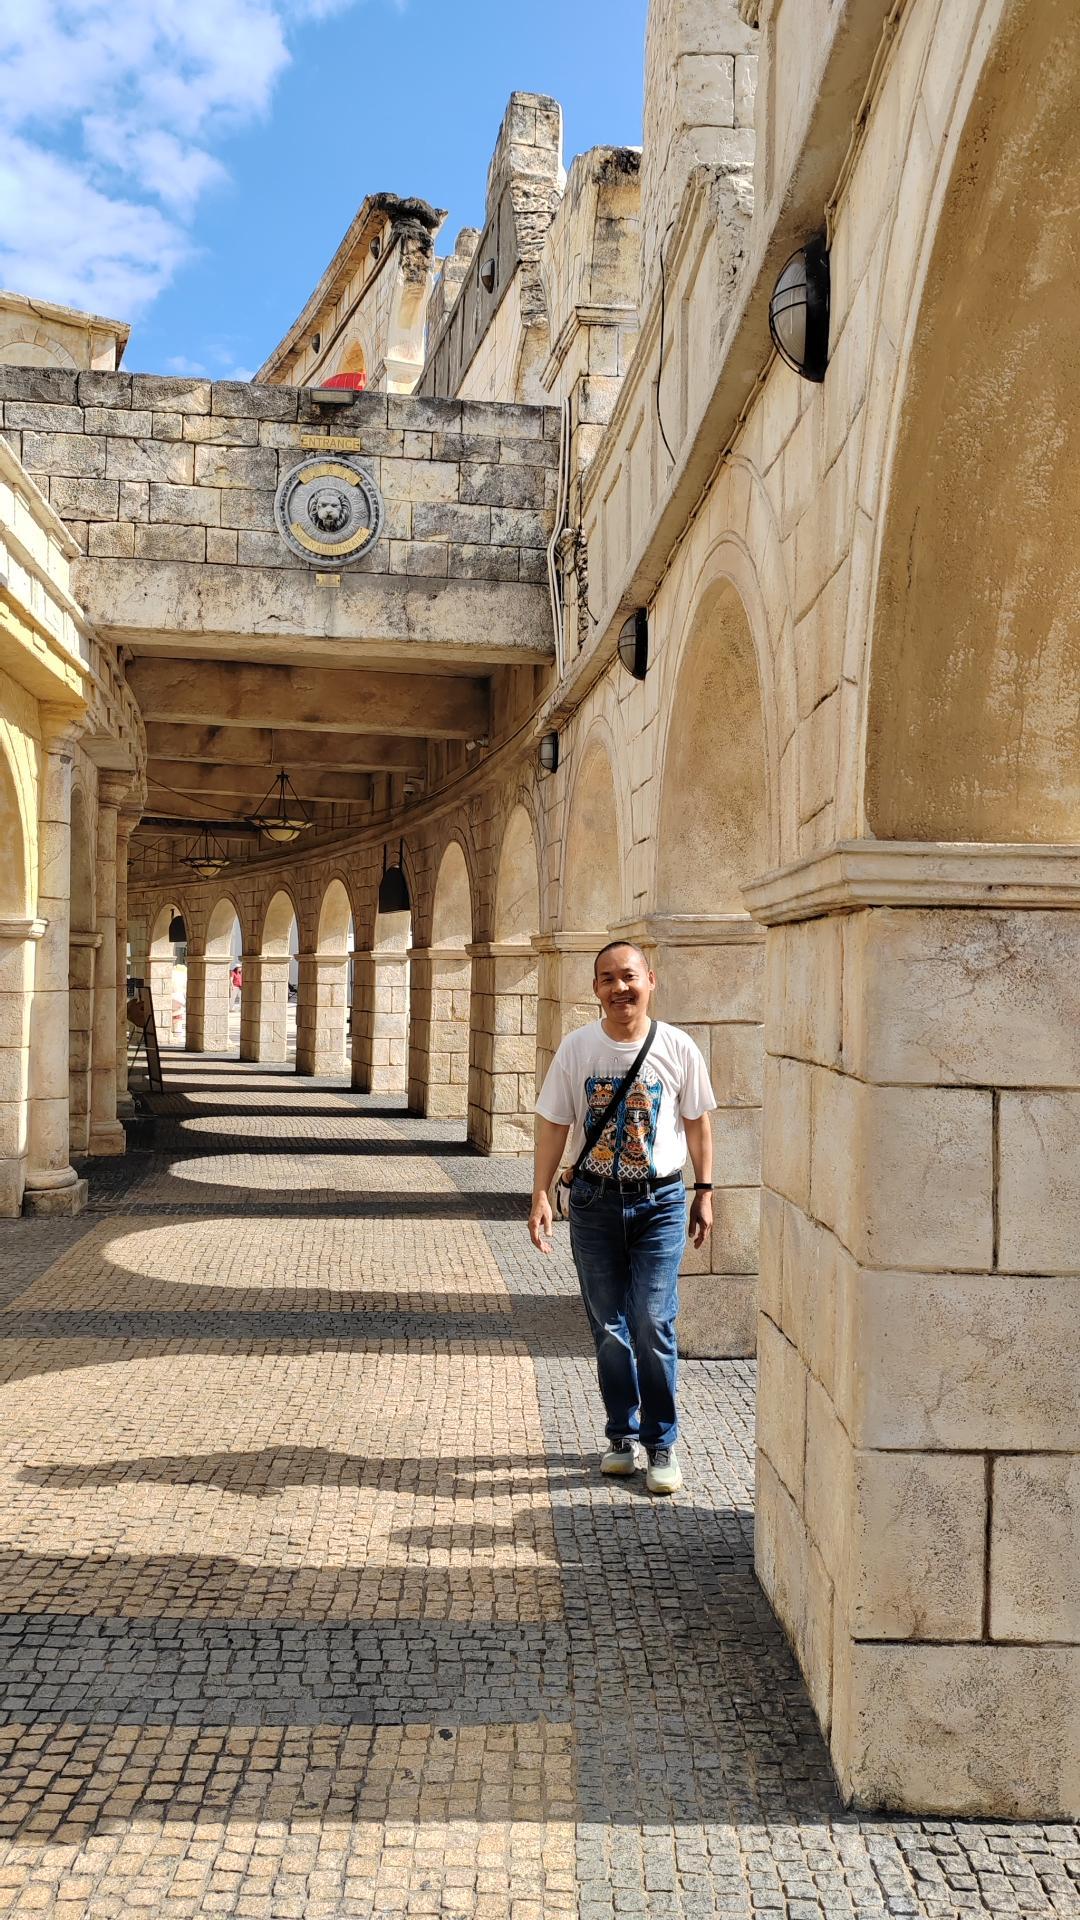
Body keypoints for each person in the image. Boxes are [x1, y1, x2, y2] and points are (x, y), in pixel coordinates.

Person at [529, 941, 716, 1494]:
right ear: (595, 989)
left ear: (650, 980)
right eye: (607, 979)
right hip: (594, 1202)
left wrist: (704, 1190)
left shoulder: (678, 1047)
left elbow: (698, 1123)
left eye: (629, 976)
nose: (620, 988)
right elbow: (554, 1123)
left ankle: (661, 1442)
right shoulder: (578, 1048)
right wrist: (540, 1193)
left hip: (660, 1201)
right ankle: (621, 1434)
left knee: (653, 1320)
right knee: (608, 1326)